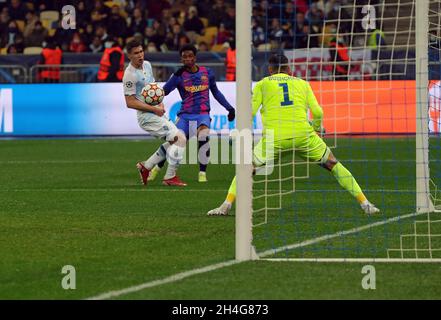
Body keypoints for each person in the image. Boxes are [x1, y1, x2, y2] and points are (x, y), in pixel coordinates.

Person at [207, 53, 380, 216]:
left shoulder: (263, 84)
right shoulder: (303, 84)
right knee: (334, 165)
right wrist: (318, 129)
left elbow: (250, 113)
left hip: (275, 139)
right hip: (304, 136)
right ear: (289, 69)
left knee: (246, 169)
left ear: (270, 70)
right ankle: (366, 204)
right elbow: (318, 112)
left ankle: (226, 206)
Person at [148, 44, 236, 183]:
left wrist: (229, 108)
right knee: (175, 142)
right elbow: (163, 92)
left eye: (190, 56)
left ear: (195, 57)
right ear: (181, 59)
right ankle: (157, 168)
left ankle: (202, 173)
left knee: (203, 136)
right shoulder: (178, 76)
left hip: (202, 114)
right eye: (184, 57)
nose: (188, 59)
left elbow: (216, 92)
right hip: (185, 116)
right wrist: (153, 102)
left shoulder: (207, 73)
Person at [122, 38, 187, 187]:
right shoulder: (129, 76)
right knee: (180, 138)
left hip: (156, 111)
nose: (140, 55)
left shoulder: (147, 65)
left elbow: (153, 88)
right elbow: (130, 102)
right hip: (146, 116)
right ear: (129, 56)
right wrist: (154, 109)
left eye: (141, 51)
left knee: (175, 140)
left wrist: (160, 102)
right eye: (136, 53)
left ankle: (146, 166)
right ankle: (170, 177)